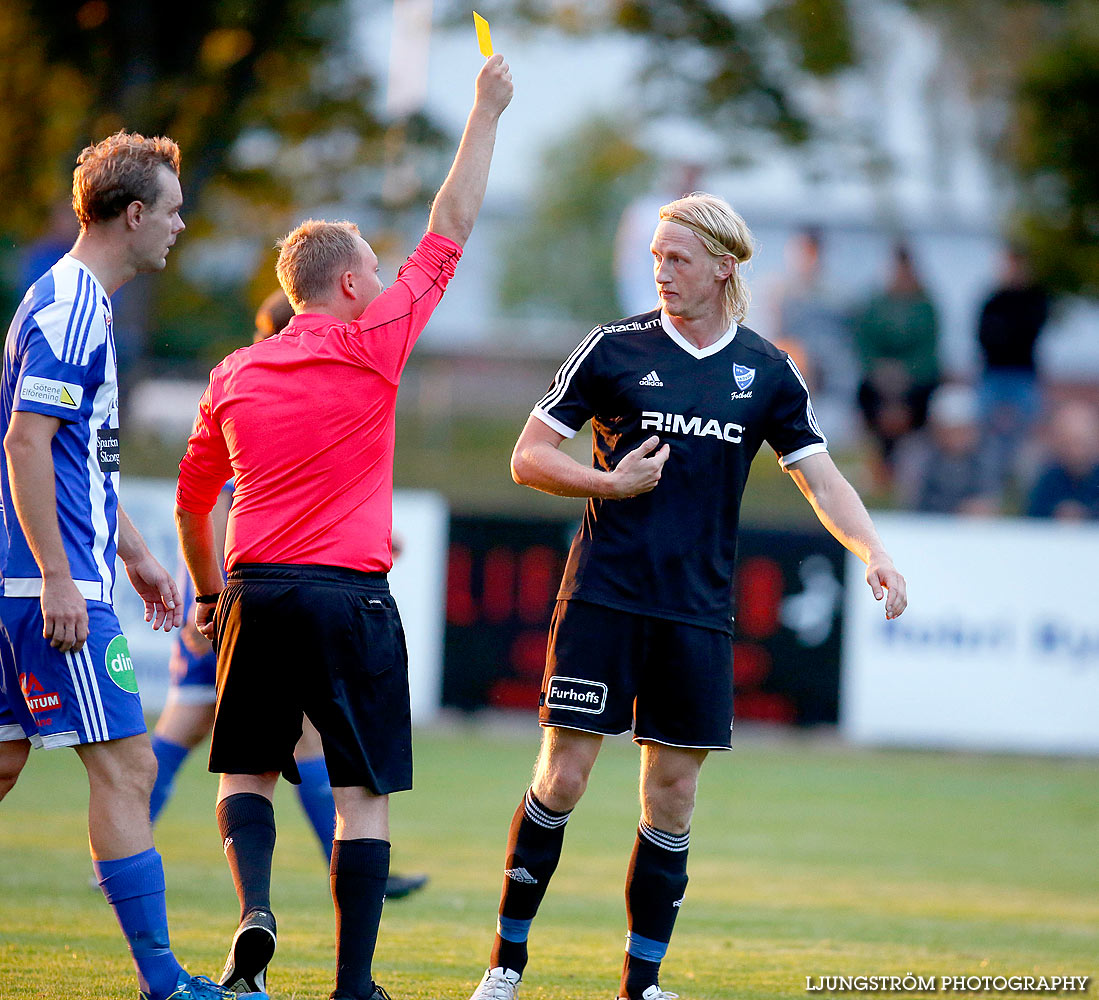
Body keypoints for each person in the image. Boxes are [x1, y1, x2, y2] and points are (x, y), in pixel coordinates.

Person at [466, 192, 907, 1000]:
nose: (661, 272)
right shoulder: (612, 349)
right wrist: (608, 481)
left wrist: (872, 549)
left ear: (723, 266)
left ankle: (641, 983)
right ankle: (506, 964)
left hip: (696, 612)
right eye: (656, 258)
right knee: (561, 778)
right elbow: (527, 457)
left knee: (671, 793)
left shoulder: (767, 371)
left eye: (677, 258)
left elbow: (820, 479)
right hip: (603, 595)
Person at [174, 54, 513, 1000]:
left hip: (254, 591)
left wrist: (207, 594)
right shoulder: (377, 341)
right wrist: (484, 109)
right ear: (354, 287)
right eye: (375, 264)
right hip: (350, 596)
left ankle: (252, 916)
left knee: (244, 773)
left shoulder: (233, 374)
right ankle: (354, 984)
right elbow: (450, 227)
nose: (384, 272)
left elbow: (191, 500)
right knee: (361, 797)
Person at [0, 132, 266, 1000]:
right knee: (128, 766)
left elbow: (78, 458)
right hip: (44, 590)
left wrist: (140, 554)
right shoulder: (73, 307)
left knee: (5, 765)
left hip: (35, 577)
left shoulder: (74, 301)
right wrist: (57, 574)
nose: (182, 228)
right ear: (135, 212)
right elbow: (24, 442)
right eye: (176, 210)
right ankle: (163, 982)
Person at [150, 292, 428, 901]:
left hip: (243, 597)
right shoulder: (286, 379)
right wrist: (208, 595)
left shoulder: (243, 381)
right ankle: (125, 844)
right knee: (198, 730)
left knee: (262, 746)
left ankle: (254, 899)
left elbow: (198, 497)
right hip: (237, 597)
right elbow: (219, 503)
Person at [853, 242, 940, 487]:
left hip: (915, 381)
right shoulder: (876, 305)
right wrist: (881, 369)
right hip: (880, 379)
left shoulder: (925, 306)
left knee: (918, 404)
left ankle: (906, 466)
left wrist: (905, 372)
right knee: (868, 400)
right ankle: (878, 465)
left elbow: (929, 349)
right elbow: (864, 343)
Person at [976, 245, 1050, 487]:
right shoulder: (992, 300)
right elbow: (984, 338)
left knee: (1025, 434)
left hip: (1022, 376)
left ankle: (1022, 486)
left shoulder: (1035, 299)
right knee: (988, 433)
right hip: (994, 375)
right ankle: (990, 484)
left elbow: (1028, 335)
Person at [892, 383, 1000, 516]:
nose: (957, 437)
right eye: (951, 430)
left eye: (963, 429)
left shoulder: (988, 456)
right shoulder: (916, 454)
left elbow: (988, 502)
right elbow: (911, 501)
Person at [1024, 399, 1099, 521]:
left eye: (1080, 442)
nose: (1075, 451)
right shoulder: (1048, 479)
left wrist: (1086, 516)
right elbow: (1031, 519)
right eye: (1067, 442)